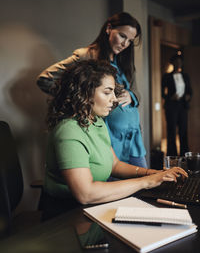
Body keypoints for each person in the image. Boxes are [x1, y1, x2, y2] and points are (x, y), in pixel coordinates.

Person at [42, 59, 187, 221]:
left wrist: (154, 173)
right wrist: (146, 181)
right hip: (65, 215)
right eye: (107, 92)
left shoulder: (96, 121)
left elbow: (114, 165)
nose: (115, 99)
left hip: (91, 208)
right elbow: (85, 194)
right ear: (85, 92)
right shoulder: (69, 130)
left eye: (113, 92)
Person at [37, 12, 147, 168]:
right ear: (109, 28)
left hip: (133, 137)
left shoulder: (124, 60)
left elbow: (137, 92)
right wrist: (79, 96)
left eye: (130, 41)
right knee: (117, 186)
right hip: (109, 136)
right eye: (122, 36)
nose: (125, 44)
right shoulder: (86, 56)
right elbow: (44, 79)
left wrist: (132, 95)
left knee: (144, 185)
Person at [162, 54, 192, 156]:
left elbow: (190, 91)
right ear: (173, 63)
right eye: (176, 62)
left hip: (183, 106)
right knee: (171, 131)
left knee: (183, 131)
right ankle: (172, 155)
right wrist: (170, 97)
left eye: (180, 62)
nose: (178, 64)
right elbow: (163, 93)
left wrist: (188, 96)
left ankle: (184, 155)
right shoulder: (167, 76)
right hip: (171, 107)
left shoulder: (185, 76)